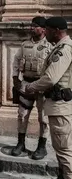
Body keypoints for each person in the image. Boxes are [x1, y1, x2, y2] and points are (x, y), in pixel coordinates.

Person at [25, 17, 72, 179]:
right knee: (61, 147)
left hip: (61, 106)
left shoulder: (64, 49)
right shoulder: (61, 46)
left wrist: (31, 87)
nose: (45, 32)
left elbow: (51, 78)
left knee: (65, 148)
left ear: (55, 30)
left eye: (47, 29)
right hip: (57, 105)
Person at [11, 16, 52, 160]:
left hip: (43, 86)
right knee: (22, 115)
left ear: (43, 29)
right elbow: (16, 61)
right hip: (26, 85)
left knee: (43, 118)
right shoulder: (25, 45)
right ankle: (20, 143)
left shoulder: (50, 46)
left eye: (35, 26)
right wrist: (15, 78)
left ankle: (42, 147)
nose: (32, 28)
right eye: (31, 25)